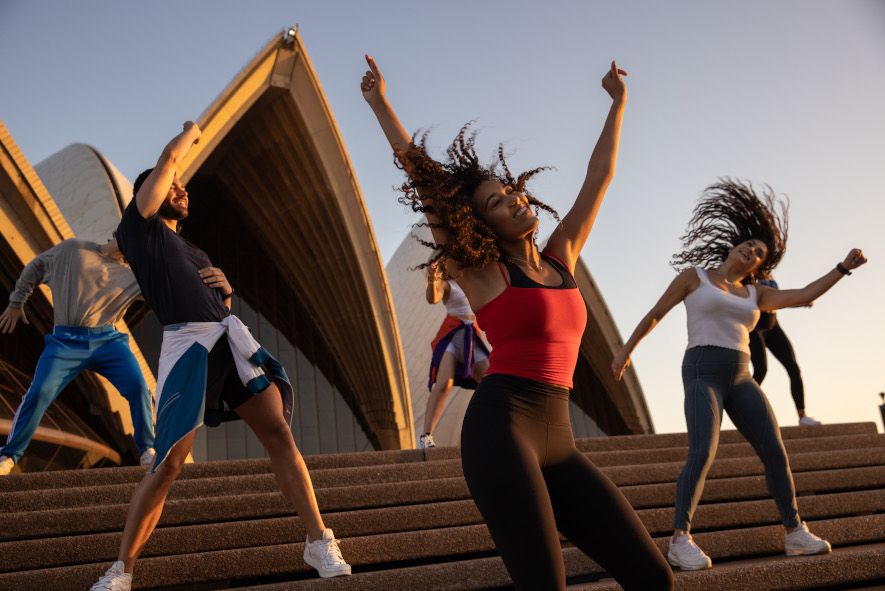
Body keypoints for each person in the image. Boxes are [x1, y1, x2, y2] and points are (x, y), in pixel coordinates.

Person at [362, 55, 673, 590]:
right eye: (497, 203)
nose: (514, 201)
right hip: (502, 430)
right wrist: (379, 103)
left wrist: (618, 105)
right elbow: (426, 183)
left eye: (512, 193)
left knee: (653, 578)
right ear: (480, 223)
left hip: (560, 437)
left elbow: (600, 177)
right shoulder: (480, 272)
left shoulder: (561, 257)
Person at [89, 122, 350, 591]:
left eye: (183, 187)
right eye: (173, 185)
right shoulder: (139, 229)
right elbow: (169, 162)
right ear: (150, 192)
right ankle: (121, 570)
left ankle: (318, 539)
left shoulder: (193, 248)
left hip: (227, 340)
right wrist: (190, 133)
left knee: (279, 434)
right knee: (168, 463)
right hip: (186, 346)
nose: (181, 189)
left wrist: (227, 291)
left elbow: (216, 303)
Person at [611, 179, 867, 571]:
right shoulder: (693, 277)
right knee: (703, 452)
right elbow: (655, 314)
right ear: (733, 246)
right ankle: (680, 539)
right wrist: (626, 350)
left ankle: (795, 532)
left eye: (758, 253)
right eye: (748, 245)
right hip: (701, 371)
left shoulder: (755, 295)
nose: (751, 251)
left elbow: (803, 296)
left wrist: (842, 269)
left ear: (759, 267)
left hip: (741, 376)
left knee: (776, 453)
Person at [0, 237, 155, 475]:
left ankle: (147, 450)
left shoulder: (132, 277)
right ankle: (9, 455)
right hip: (65, 341)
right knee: (40, 392)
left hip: (108, 341)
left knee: (138, 387)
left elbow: (169, 288)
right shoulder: (74, 249)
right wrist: (17, 300)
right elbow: (37, 265)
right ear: (112, 235)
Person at [419, 260, 490, 449]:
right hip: (453, 334)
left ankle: (493, 430)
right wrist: (433, 280)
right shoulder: (446, 283)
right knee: (444, 383)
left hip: (471, 336)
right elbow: (433, 298)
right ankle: (426, 436)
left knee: (490, 383)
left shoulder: (471, 278)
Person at [749, 273, 820, 425]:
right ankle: (744, 407)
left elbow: (780, 299)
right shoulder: (751, 274)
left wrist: (800, 302)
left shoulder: (769, 275)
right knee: (761, 370)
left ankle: (802, 416)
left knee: (793, 368)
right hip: (754, 328)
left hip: (773, 326)